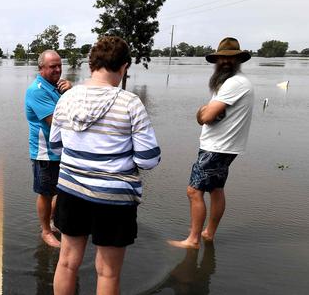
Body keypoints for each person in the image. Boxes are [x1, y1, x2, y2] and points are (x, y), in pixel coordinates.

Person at [50, 36, 161, 295]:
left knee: (66, 263)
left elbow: (55, 148)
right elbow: (148, 159)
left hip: (71, 190)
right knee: (107, 272)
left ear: (91, 65)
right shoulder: (130, 103)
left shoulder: (65, 99)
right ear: (124, 67)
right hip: (114, 197)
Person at [168, 37, 254, 249]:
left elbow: (206, 116)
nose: (225, 61)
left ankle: (193, 240)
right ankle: (207, 233)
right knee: (216, 189)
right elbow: (209, 113)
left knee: (194, 190)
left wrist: (200, 112)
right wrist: (204, 112)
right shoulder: (231, 82)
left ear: (238, 60)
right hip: (222, 146)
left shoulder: (235, 83)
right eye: (221, 58)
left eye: (230, 58)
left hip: (217, 147)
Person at [25, 50, 72, 248]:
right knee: (45, 193)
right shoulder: (37, 90)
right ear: (41, 68)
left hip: (61, 150)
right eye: (53, 66)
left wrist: (71, 91)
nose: (58, 69)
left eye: (59, 65)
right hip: (45, 152)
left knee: (61, 191)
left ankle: (51, 221)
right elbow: (55, 122)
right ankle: (46, 231)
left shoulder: (55, 87)